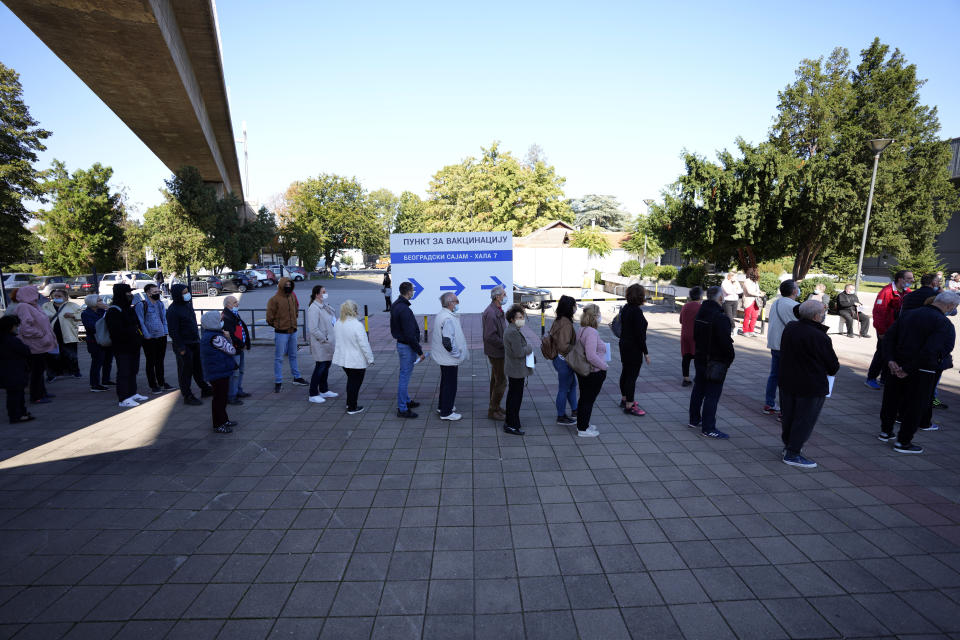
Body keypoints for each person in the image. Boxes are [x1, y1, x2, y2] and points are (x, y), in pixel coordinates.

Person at [878, 291, 958, 454]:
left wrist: (891, 360)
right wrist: (906, 368)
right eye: (955, 307)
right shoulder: (943, 323)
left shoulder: (908, 314)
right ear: (950, 306)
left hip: (898, 365)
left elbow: (889, 338)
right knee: (914, 406)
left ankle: (886, 431)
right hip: (922, 370)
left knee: (892, 400)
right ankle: (903, 441)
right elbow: (934, 350)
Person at [778, 300, 840, 468]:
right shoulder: (819, 336)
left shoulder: (791, 327)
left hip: (788, 380)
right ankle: (793, 452)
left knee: (789, 417)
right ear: (816, 316)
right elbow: (833, 366)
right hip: (810, 385)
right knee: (804, 419)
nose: (824, 314)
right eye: (822, 312)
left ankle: (789, 447)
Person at [689, 286, 734, 439]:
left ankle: (694, 419)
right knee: (712, 394)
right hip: (715, 360)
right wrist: (729, 358)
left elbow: (695, 335)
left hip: (700, 356)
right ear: (720, 298)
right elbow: (725, 343)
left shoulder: (701, 312)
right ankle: (708, 428)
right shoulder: (720, 317)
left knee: (699, 388)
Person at [865, 270, 913, 390]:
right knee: (882, 353)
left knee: (892, 354)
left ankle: (884, 378)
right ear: (900, 279)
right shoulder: (886, 292)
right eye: (909, 278)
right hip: (886, 329)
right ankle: (871, 378)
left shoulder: (907, 292)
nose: (912, 281)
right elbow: (878, 313)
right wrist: (881, 331)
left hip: (898, 329)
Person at [167, 283, 213, 405]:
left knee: (198, 368)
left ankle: (205, 388)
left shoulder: (187, 305)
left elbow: (192, 323)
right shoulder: (173, 310)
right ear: (178, 295)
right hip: (184, 345)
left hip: (194, 342)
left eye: (187, 291)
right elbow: (173, 331)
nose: (187, 294)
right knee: (185, 371)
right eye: (184, 292)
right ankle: (187, 395)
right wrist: (181, 348)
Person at [105, 283, 147, 408]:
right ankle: (123, 398)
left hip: (134, 345)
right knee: (124, 371)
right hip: (122, 347)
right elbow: (116, 330)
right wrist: (130, 332)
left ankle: (132, 393)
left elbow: (136, 323)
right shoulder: (114, 310)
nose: (130, 295)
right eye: (128, 293)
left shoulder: (128, 308)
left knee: (133, 370)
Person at [13, 285, 57, 405]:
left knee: (40, 369)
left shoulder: (34, 305)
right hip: (34, 345)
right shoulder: (23, 307)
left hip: (41, 344)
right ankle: (36, 396)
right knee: (36, 371)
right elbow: (25, 328)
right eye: (35, 292)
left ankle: (42, 392)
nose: (37, 295)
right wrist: (40, 334)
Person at [430, 291, 468, 421]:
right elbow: (448, 341)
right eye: (456, 301)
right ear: (450, 303)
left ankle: (443, 406)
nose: (458, 303)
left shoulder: (442, 315)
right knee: (450, 384)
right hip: (449, 357)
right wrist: (456, 354)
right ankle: (446, 412)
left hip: (443, 357)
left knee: (445, 382)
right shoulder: (448, 318)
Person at [331, 300, 374, 414]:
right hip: (356, 360)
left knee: (351, 381)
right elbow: (364, 344)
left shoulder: (338, 323)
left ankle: (349, 403)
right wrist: (370, 359)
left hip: (343, 359)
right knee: (355, 383)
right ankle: (352, 406)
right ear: (354, 310)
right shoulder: (357, 325)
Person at [763, 279, 799, 415]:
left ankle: (769, 403)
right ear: (794, 291)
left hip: (775, 343)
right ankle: (785, 409)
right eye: (797, 287)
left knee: (774, 375)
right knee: (788, 377)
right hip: (787, 346)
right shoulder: (795, 306)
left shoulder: (776, 303)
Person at [198, 310, 237, 434]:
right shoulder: (215, 337)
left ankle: (224, 420)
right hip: (218, 372)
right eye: (220, 319)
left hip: (217, 371)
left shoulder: (210, 334)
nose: (222, 321)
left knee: (221, 397)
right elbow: (231, 350)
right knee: (219, 399)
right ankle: (218, 424)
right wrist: (228, 338)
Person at [266, 277, 307, 392]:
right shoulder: (274, 299)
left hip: (293, 331)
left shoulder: (292, 296)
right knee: (279, 358)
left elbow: (296, 309)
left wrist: (294, 320)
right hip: (281, 333)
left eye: (290, 284)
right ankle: (278, 381)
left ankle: (297, 377)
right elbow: (269, 317)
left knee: (293, 356)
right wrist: (278, 325)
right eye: (286, 284)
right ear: (281, 285)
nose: (288, 286)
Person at [390, 281, 425, 418]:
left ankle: (406, 400)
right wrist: (419, 351)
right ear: (409, 291)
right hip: (406, 347)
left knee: (404, 375)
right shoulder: (404, 309)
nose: (413, 292)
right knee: (404, 377)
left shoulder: (396, 305)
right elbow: (409, 334)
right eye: (412, 290)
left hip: (402, 344)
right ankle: (402, 408)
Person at [574, 303, 607, 438]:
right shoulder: (592, 332)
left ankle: (583, 424)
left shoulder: (582, 329)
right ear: (595, 316)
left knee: (584, 398)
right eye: (599, 314)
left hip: (584, 371)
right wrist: (604, 366)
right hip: (593, 372)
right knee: (588, 400)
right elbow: (591, 355)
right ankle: (583, 429)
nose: (600, 317)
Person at [618, 284, 651, 416]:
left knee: (625, 372)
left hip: (624, 344)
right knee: (632, 376)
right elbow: (640, 336)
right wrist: (646, 353)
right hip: (633, 347)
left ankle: (624, 398)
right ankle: (629, 405)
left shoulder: (626, 308)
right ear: (640, 296)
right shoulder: (636, 311)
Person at [502, 303, 534, 436]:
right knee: (515, 398)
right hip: (516, 370)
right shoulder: (513, 332)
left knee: (513, 396)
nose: (522, 319)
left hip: (514, 369)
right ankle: (512, 424)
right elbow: (518, 352)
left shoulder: (512, 330)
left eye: (522, 316)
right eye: (519, 317)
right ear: (512, 319)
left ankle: (511, 422)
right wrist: (529, 348)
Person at [134, 283, 172, 394]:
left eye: (158, 292)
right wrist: (147, 335)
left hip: (161, 336)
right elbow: (140, 322)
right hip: (149, 338)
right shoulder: (141, 305)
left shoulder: (159, 304)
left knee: (160, 360)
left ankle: (161, 382)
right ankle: (153, 384)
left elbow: (163, 318)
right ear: (148, 293)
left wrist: (165, 332)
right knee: (151, 361)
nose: (157, 294)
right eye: (155, 292)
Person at [547, 295, 578, 424]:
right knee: (564, 388)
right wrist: (576, 347)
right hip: (564, 360)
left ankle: (575, 410)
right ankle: (561, 416)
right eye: (574, 305)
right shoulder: (566, 323)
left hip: (558, 359)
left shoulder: (558, 320)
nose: (576, 308)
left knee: (572, 384)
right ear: (569, 308)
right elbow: (563, 345)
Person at [306, 285, 338, 404]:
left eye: (326, 291)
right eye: (323, 292)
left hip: (328, 343)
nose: (325, 293)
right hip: (321, 343)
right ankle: (313, 393)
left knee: (326, 366)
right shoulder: (314, 308)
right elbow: (313, 329)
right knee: (320, 367)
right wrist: (324, 338)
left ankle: (324, 389)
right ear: (317, 294)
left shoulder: (324, 306)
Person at [41, 290, 81, 380]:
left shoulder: (72, 305)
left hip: (68, 333)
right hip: (52, 334)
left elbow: (82, 314)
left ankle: (75, 372)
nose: (57, 298)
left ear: (66, 297)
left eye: (59, 296)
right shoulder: (46, 306)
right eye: (55, 296)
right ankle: (52, 374)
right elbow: (41, 315)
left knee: (71, 354)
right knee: (51, 356)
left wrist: (73, 315)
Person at [482, 285, 508, 421]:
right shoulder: (491, 313)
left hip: (497, 351)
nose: (505, 297)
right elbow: (490, 336)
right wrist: (505, 344)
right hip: (497, 352)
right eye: (504, 295)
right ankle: (493, 410)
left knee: (496, 379)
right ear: (497, 297)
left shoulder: (496, 309)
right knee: (501, 381)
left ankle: (495, 406)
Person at [0, 315, 33, 424]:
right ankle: (16, 415)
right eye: (16, 326)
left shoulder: (4, 338)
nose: (17, 328)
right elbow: (25, 351)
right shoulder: (11, 340)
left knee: (16, 394)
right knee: (15, 395)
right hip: (14, 371)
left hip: (9, 371)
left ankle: (21, 413)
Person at [221, 296, 251, 405]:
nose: (237, 304)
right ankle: (231, 396)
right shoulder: (226, 317)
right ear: (228, 305)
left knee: (240, 371)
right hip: (234, 348)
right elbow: (231, 335)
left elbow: (241, 330)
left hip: (239, 347)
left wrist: (246, 343)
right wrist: (242, 344)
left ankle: (238, 390)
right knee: (235, 373)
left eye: (236, 302)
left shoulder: (234, 314)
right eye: (234, 302)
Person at [81, 294, 113, 391]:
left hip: (106, 339)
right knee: (97, 362)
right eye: (99, 300)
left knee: (108, 361)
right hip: (94, 341)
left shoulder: (102, 311)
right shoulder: (86, 313)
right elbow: (92, 327)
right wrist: (104, 316)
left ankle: (106, 379)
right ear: (93, 302)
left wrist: (109, 310)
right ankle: (94, 384)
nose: (102, 302)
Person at [679, 286, 702, 387]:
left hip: (685, 335)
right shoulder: (700, 307)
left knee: (686, 357)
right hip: (696, 335)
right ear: (700, 296)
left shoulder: (685, 306)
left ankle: (686, 378)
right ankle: (698, 377)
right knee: (698, 358)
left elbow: (681, 320)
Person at [740, 269, 762, 337]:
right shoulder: (747, 281)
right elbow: (749, 292)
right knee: (747, 316)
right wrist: (759, 294)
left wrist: (760, 292)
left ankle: (751, 330)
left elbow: (758, 290)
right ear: (751, 274)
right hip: (748, 301)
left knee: (755, 317)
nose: (757, 275)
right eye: (756, 273)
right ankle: (745, 331)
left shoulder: (755, 282)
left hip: (756, 301)